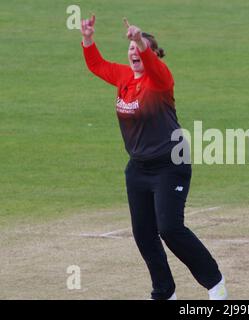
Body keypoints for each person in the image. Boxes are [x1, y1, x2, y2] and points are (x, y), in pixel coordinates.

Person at [80, 14, 227, 300]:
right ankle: (164, 292)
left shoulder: (160, 79)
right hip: (138, 168)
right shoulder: (124, 77)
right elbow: (97, 65)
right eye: (131, 48)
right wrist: (88, 38)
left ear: (150, 53)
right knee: (144, 235)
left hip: (170, 164)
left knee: (170, 228)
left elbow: (150, 62)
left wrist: (139, 40)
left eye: (139, 48)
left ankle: (215, 283)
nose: (134, 51)